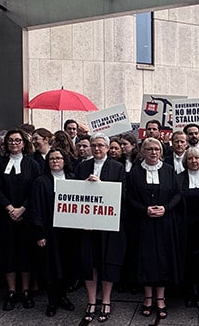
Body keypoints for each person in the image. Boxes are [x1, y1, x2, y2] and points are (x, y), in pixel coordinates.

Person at [126, 137, 183, 320]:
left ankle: (161, 298)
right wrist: (144, 210)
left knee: (163, 259)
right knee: (146, 260)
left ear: (161, 151)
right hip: (144, 223)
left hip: (164, 223)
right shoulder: (135, 172)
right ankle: (148, 297)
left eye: (156, 149)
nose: (153, 152)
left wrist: (166, 208)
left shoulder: (168, 170)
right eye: (149, 149)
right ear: (142, 151)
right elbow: (129, 197)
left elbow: (177, 194)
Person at [73, 133, 127, 323]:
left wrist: (102, 187)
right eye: (94, 145)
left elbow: (122, 194)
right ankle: (91, 301)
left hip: (108, 225)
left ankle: (105, 300)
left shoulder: (118, 167)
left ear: (107, 148)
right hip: (87, 226)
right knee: (90, 262)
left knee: (107, 261)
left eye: (101, 146)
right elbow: (75, 194)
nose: (97, 149)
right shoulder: (82, 166)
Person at [0, 130, 42, 312]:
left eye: (17, 140)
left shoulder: (32, 164)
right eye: (10, 140)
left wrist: (22, 209)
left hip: (26, 217)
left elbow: (35, 189)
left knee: (25, 253)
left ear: (23, 143)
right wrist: (9, 207)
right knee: (8, 253)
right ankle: (12, 291)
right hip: (5, 216)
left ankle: (26, 290)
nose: (14, 143)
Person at [28, 148, 78, 317]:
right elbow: (36, 209)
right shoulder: (40, 181)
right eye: (51, 159)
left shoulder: (72, 179)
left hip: (69, 232)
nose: (55, 161)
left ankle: (63, 296)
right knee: (50, 267)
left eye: (58, 158)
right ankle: (52, 301)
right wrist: (39, 234)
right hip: (49, 232)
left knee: (66, 265)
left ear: (65, 160)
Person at [177, 147, 199, 308]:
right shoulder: (178, 179)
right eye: (190, 158)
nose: (194, 161)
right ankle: (189, 291)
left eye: (196, 158)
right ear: (185, 161)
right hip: (185, 226)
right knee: (188, 260)